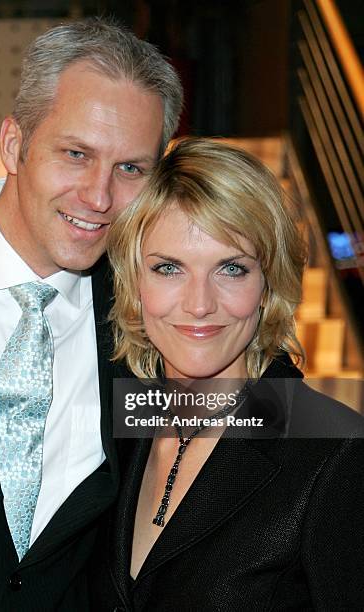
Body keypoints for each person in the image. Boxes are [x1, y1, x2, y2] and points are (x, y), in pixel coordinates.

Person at [0, 18, 182, 611]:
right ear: (15, 144)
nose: (98, 197)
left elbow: (257, 401)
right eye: (76, 154)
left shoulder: (148, 307)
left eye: (130, 169)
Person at [90, 138, 364, 610]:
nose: (199, 304)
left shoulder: (335, 452)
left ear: (267, 283)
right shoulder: (118, 424)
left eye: (232, 269)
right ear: (134, 281)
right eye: (169, 268)